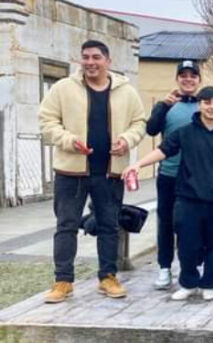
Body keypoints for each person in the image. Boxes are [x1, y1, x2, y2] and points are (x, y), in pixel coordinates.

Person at [123, 86, 213, 301]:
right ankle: (188, 282)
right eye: (207, 102)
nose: (211, 107)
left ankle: (209, 283)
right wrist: (138, 164)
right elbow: (164, 150)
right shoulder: (186, 132)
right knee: (186, 244)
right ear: (200, 104)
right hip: (188, 199)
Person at [38, 40, 147, 304]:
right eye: (85, 57)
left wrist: (127, 140)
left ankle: (107, 277)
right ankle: (63, 281)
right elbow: (46, 121)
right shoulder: (63, 88)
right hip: (71, 172)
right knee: (66, 226)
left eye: (96, 57)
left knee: (109, 225)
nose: (90, 62)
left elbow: (139, 123)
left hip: (110, 172)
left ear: (108, 61)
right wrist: (68, 140)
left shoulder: (126, 91)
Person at [144, 59, 201, 290]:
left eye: (193, 75)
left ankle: (192, 266)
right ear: (177, 79)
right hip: (168, 174)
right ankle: (165, 267)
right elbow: (151, 129)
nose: (188, 79)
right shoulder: (167, 105)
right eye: (183, 75)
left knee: (192, 224)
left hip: (195, 177)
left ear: (199, 79)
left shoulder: (204, 104)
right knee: (165, 222)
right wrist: (161, 107)